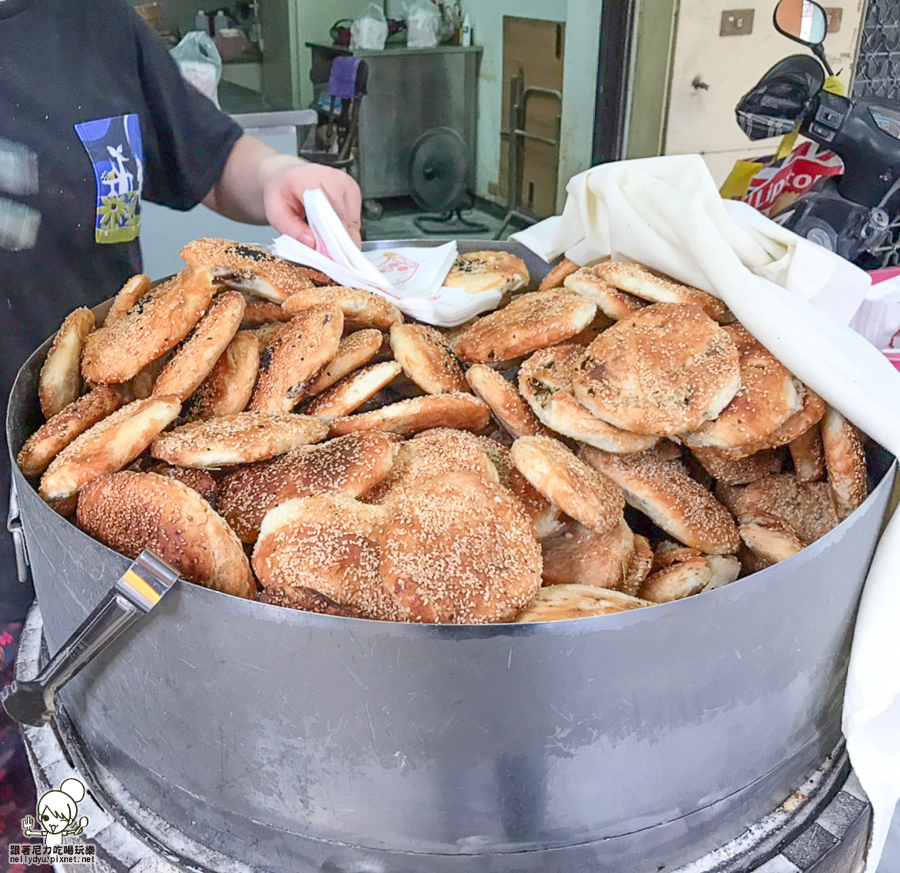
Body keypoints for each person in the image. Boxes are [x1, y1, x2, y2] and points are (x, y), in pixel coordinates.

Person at [0, 0, 363, 862]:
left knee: (100, 761)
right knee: (15, 773)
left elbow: (210, 158)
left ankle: (63, 849)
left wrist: (276, 174)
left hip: (106, 491)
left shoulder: (92, 24)